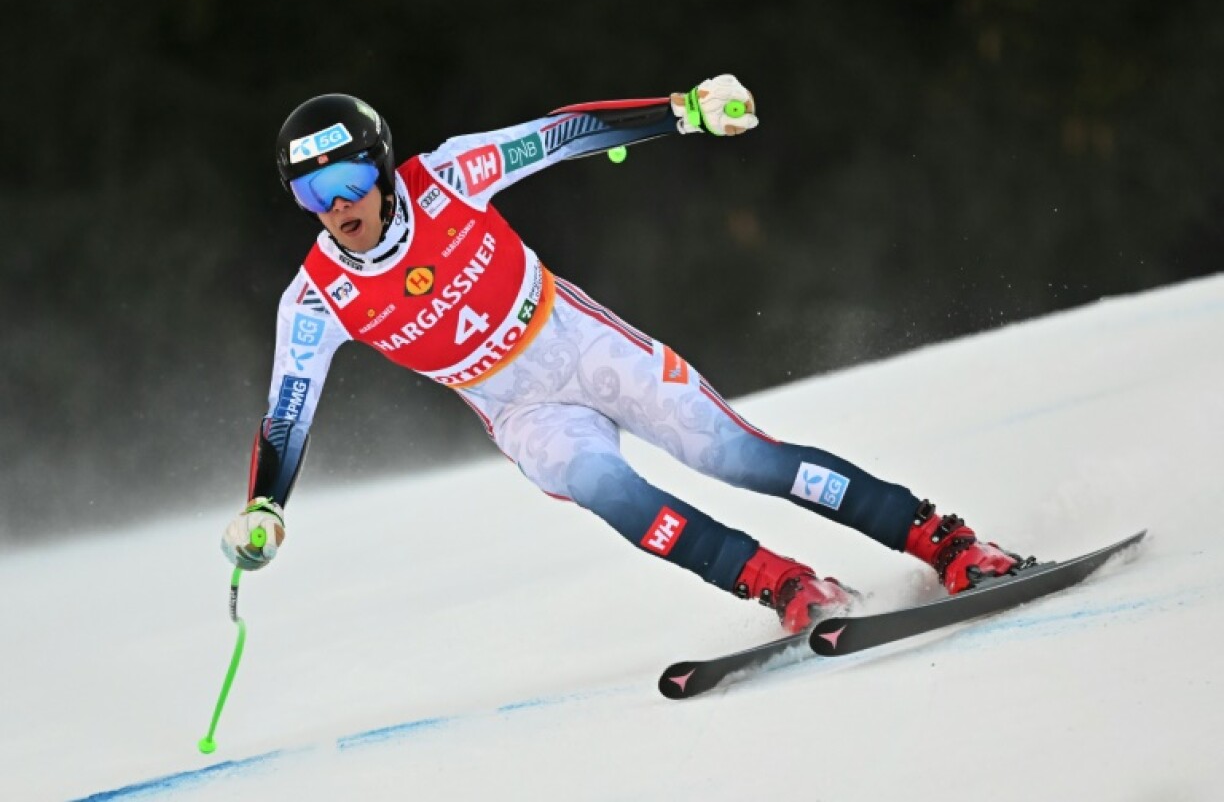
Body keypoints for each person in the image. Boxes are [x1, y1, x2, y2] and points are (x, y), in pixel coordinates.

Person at [221, 75, 1032, 633]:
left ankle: (941, 541)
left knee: (739, 457)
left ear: (384, 165)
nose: (338, 208)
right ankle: (783, 583)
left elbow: (567, 133)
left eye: (350, 178)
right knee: (609, 491)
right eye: (311, 196)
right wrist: (266, 506)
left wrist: (684, 110)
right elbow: (286, 417)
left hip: (575, 342)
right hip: (520, 409)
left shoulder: (449, 177)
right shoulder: (316, 297)